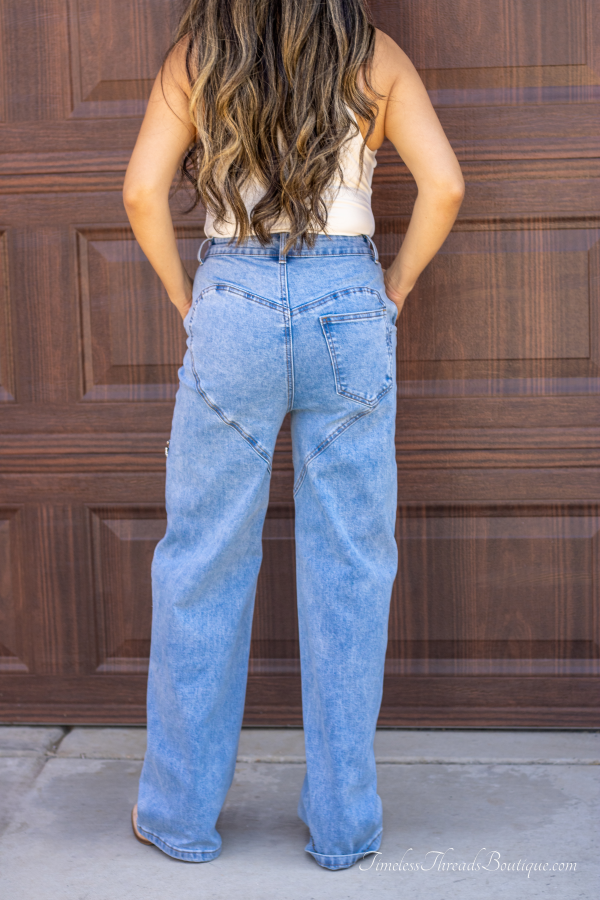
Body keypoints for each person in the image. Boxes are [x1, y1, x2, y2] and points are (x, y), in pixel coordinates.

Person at [123, 0, 464, 870]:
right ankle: (345, 827)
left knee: (201, 560)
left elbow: (138, 192)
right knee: (351, 564)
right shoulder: (373, 54)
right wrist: (390, 289)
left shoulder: (201, 55)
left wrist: (185, 303)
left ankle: (179, 818)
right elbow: (446, 185)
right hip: (347, 300)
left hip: (231, 293)